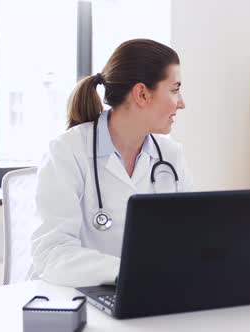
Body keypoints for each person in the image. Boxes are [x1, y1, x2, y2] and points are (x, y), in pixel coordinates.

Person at [31, 39, 192, 287]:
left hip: (149, 293)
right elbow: (52, 254)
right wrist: (130, 272)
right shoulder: (67, 151)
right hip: (76, 298)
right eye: (174, 89)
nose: (181, 102)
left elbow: (190, 237)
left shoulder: (170, 155)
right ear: (141, 94)